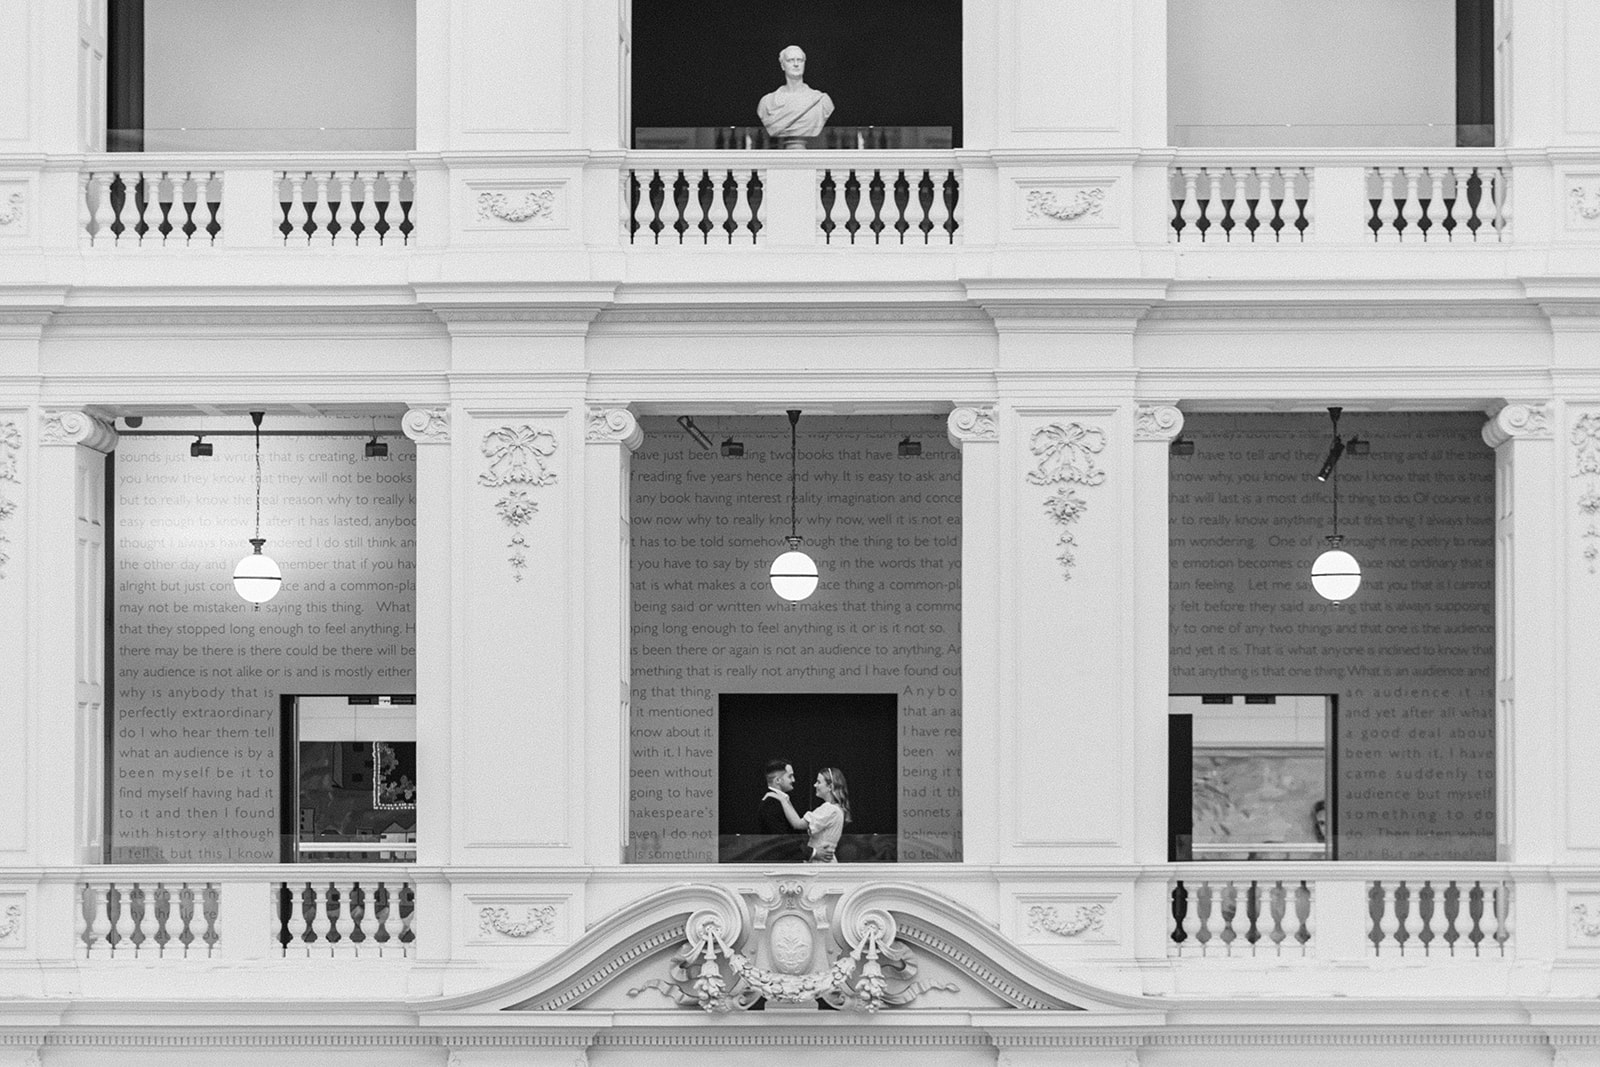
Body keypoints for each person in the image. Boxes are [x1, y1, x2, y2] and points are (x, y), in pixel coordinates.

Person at [757, 46, 835, 148]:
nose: (796, 64)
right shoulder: (767, 102)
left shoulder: (822, 101)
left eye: (800, 60)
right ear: (782, 65)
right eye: (790, 60)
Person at [799, 767, 850, 864]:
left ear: (830, 787)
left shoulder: (829, 809)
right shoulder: (838, 810)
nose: (815, 785)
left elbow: (797, 823)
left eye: (818, 782)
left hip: (820, 862)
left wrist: (784, 800)